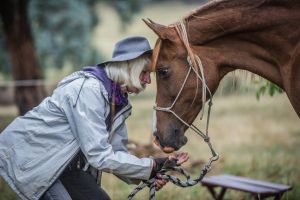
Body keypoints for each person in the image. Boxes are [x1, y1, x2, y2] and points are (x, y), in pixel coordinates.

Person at [0, 36, 189, 200]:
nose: (148, 80)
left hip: (64, 166)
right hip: (34, 160)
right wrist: (152, 165)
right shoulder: (88, 90)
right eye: (145, 72)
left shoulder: (118, 102)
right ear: (129, 68)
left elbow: (117, 153)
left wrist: (149, 173)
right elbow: (100, 156)